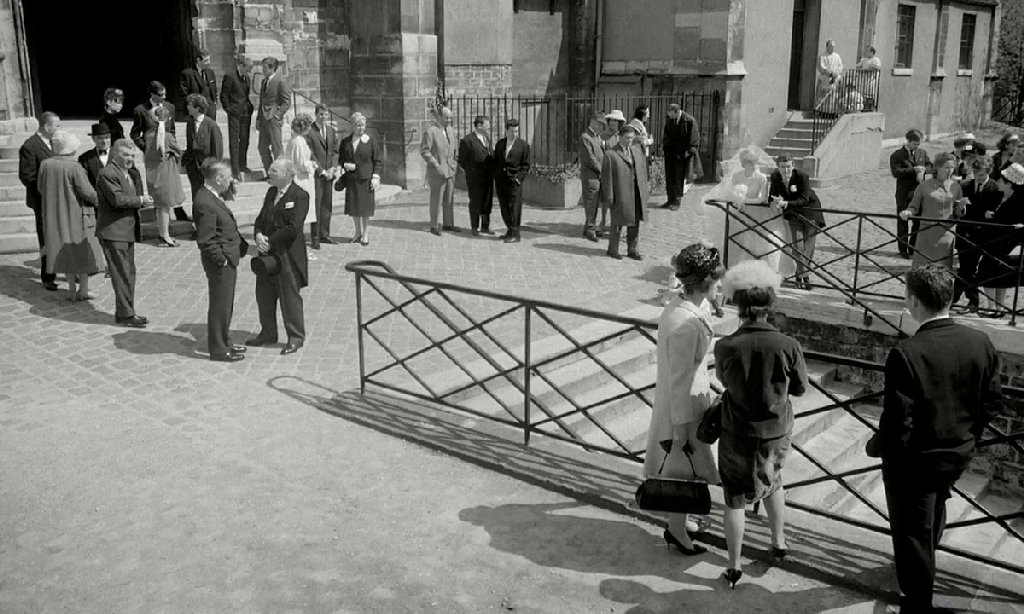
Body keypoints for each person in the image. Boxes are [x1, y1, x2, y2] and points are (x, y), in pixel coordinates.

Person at [866, 265, 1001, 612]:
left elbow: (898, 422)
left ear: (913, 301)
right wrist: (968, 435)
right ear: (949, 298)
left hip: (916, 462)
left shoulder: (907, 353)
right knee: (932, 512)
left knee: (911, 533)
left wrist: (879, 448)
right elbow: (993, 401)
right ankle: (924, 559)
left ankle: (917, 602)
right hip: (958, 452)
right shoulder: (980, 342)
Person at [714, 259, 808, 589]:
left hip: (736, 430)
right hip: (775, 432)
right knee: (775, 481)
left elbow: (724, 381)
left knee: (734, 497)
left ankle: (734, 565)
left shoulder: (725, 346)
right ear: (770, 306)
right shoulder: (788, 345)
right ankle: (779, 541)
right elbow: (800, 388)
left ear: (738, 307)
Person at [644, 242, 724, 558]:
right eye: (716, 281)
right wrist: (679, 425)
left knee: (686, 467)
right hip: (684, 405)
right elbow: (679, 379)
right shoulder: (683, 323)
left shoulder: (685, 306)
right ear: (703, 282)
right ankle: (676, 530)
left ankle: (681, 521)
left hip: (691, 397)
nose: (720, 286)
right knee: (683, 468)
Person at [247, 158, 309, 355]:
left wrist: (270, 241)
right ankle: (268, 332)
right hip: (267, 254)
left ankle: (295, 337)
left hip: (286, 255)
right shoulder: (271, 192)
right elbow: (260, 218)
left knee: (289, 297)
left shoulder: (300, 196)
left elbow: (293, 228)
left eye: (274, 170)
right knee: (264, 294)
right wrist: (258, 235)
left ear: (287, 175)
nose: (269, 173)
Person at [38, 131, 103, 302]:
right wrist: (101, 201)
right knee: (82, 252)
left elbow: (40, 188)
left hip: (55, 216)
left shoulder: (45, 165)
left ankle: (72, 290)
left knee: (65, 253)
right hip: (77, 216)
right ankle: (83, 290)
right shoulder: (74, 167)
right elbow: (87, 192)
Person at [193, 158, 248, 362]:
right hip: (220, 263)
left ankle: (225, 341)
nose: (231, 180)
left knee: (225, 304)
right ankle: (218, 348)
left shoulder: (211, 196)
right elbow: (206, 239)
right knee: (220, 305)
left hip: (228, 258)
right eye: (228, 176)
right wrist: (222, 260)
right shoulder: (205, 202)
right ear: (218, 179)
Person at [95, 139, 154, 328]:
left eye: (132, 155)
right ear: (115, 154)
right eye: (126, 155)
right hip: (113, 231)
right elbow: (118, 199)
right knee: (121, 274)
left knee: (129, 273)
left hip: (126, 231)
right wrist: (140, 200)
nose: (130, 159)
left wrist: (141, 199)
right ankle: (126, 314)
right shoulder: (108, 173)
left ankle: (125, 311)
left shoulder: (131, 173)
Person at [130, 81, 186, 223]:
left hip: (168, 154)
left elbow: (172, 130)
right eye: (160, 95)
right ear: (152, 94)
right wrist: (145, 147)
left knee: (171, 184)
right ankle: (159, 215)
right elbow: (135, 134)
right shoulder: (141, 110)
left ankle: (177, 209)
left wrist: (172, 147)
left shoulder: (169, 107)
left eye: (165, 94)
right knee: (156, 186)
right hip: (152, 156)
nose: (164, 97)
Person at [953, 155, 1003, 312]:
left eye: (981, 174)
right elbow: (958, 212)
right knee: (965, 269)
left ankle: (959, 300)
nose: (978, 177)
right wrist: (961, 207)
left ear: (989, 172)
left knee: (968, 269)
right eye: (975, 174)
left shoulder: (995, 188)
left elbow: (993, 213)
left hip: (982, 236)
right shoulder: (965, 185)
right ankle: (967, 301)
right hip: (964, 233)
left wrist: (979, 212)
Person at [727, 148, 789, 272]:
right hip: (741, 212)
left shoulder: (761, 178)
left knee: (758, 241)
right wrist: (737, 199)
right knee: (740, 239)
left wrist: (745, 201)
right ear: (743, 164)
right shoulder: (737, 176)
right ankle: (741, 268)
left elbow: (762, 198)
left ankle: (759, 269)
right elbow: (732, 193)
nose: (751, 166)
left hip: (758, 213)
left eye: (753, 163)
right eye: (748, 163)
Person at [769, 154, 826, 288]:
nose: (786, 170)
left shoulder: (802, 176)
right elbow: (771, 196)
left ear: (793, 166)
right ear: (778, 167)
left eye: (788, 167)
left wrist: (786, 203)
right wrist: (774, 201)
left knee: (808, 247)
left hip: (810, 212)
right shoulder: (775, 177)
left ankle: (801, 277)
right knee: (797, 247)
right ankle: (804, 276)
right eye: (783, 167)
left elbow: (805, 199)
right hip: (793, 214)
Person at [899, 152, 963, 270]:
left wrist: (961, 209)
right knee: (921, 270)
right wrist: (907, 212)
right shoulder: (924, 186)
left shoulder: (956, 187)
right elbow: (913, 207)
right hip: (926, 234)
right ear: (937, 167)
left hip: (945, 235)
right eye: (947, 167)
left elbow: (957, 211)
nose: (950, 170)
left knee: (942, 271)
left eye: (952, 167)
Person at [975, 163, 1024, 316]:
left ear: (1009, 183)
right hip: (995, 242)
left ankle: (994, 308)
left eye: (1001, 180)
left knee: (990, 272)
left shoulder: (1019, 200)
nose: (998, 182)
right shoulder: (1000, 196)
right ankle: (996, 308)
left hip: (1005, 243)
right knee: (995, 273)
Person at [18, 111, 60, 291]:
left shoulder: (55, 142)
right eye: (56, 125)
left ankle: (66, 267)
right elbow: (27, 176)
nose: (59, 129)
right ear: (46, 126)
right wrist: (47, 188)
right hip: (42, 200)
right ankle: (48, 275)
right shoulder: (30, 146)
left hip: (59, 199)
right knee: (46, 237)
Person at [602, 123, 648, 260]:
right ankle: (613, 249)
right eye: (627, 138)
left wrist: (645, 190)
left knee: (635, 222)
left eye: (631, 138)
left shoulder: (636, 151)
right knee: (617, 222)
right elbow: (607, 178)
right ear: (620, 137)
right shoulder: (611, 154)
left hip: (636, 192)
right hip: (620, 192)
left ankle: (632, 250)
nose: (629, 141)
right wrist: (609, 197)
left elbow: (643, 171)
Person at [337, 112, 382, 246]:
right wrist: (345, 165)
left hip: (365, 179)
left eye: (362, 125)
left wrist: (375, 177)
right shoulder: (346, 142)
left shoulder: (370, 141)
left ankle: (365, 232)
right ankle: (357, 232)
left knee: (365, 208)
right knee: (354, 207)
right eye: (358, 125)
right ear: (352, 126)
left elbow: (377, 160)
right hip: (352, 179)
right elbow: (341, 159)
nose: (361, 128)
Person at [144, 104, 186, 247]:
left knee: (159, 207)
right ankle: (164, 235)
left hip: (152, 174)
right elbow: (178, 151)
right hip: (165, 175)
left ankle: (162, 233)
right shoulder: (167, 137)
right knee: (164, 207)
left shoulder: (148, 136)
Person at [890, 129, 931, 258]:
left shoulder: (922, 153)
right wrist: (913, 170)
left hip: (918, 193)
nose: (917, 146)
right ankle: (903, 249)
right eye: (914, 144)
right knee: (903, 222)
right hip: (904, 193)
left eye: (918, 144)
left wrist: (924, 170)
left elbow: (930, 166)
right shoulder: (897, 155)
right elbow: (896, 172)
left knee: (917, 222)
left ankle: (913, 248)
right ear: (908, 141)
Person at [421, 106, 458, 236]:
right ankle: (434, 225)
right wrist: (436, 165)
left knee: (449, 198)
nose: (449, 120)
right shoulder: (431, 132)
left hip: (450, 169)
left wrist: (454, 164)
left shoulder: (451, 131)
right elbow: (425, 151)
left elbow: (454, 149)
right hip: (437, 170)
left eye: (450, 118)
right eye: (446, 118)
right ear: (439, 117)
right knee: (436, 198)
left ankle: (448, 223)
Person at [457, 115, 496, 236]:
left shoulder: (487, 138)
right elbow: (462, 161)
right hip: (475, 178)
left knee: (487, 201)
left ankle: (485, 226)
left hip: (488, 176)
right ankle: (474, 226)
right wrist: (472, 171)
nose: (489, 127)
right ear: (479, 125)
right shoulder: (467, 141)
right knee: (475, 201)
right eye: (487, 125)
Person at [286, 114, 319, 256]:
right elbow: (301, 163)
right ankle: (298, 248)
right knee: (300, 215)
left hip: (300, 178)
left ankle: (298, 246)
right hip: (301, 180)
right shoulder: (298, 142)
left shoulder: (295, 140)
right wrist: (312, 165)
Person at [494, 118, 531, 244]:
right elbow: (496, 161)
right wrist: (496, 175)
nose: (514, 134)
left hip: (514, 182)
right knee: (504, 206)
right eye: (512, 131)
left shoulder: (523, 146)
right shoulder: (500, 144)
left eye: (516, 131)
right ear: (506, 131)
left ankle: (516, 233)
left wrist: (518, 179)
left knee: (515, 207)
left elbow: (526, 165)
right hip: (501, 181)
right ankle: (509, 229)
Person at [308, 104, 340, 243]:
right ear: (316, 114)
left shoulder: (331, 130)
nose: (323, 117)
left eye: (325, 114)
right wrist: (321, 170)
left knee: (327, 204)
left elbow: (335, 151)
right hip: (317, 174)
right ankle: (315, 236)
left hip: (329, 173)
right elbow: (310, 154)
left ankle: (324, 234)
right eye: (321, 114)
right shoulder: (310, 132)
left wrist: (333, 167)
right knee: (317, 204)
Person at [183, 94, 224, 200]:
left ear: (197, 108)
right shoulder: (190, 123)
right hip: (193, 167)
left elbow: (217, 150)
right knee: (196, 195)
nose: (187, 107)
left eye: (190, 105)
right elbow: (190, 146)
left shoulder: (212, 126)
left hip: (206, 167)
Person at [220, 56, 255, 179]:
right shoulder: (230, 76)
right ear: (241, 66)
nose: (249, 71)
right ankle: (235, 169)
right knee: (234, 141)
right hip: (234, 113)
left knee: (245, 139)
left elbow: (245, 95)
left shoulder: (247, 78)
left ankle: (242, 165)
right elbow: (224, 95)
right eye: (248, 68)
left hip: (246, 113)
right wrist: (229, 110)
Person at [662, 103, 700, 210]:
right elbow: (666, 134)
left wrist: (690, 151)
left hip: (682, 154)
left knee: (679, 178)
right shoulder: (670, 120)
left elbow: (694, 137)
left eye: (670, 113)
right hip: (670, 153)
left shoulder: (689, 120)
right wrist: (665, 145)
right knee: (670, 177)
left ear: (676, 112)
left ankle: (677, 201)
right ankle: (670, 200)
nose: (669, 115)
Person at [256, 57, 291, 173]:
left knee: (277, 147)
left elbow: (286, 102)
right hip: (264, 119)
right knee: (262, 147)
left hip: (274, 119)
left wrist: (278, 115)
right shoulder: (264, 81)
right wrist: (258, 119)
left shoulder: (281, 81)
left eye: (264, 68)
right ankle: (270, 172)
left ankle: (280, 173)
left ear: (271, 68)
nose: (262, 70)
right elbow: (261, 101)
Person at [578, 113, 606, 242]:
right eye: (599, 124)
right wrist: (602, 170)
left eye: (602, 124)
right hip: (590, 175)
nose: (601, 127)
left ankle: (588, 227)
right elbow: (590, 159)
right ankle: (590, 229)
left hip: (597, 175)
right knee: (591, 201)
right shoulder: (586, 137)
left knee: (594, 202)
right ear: (592, 121)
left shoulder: (596, 137)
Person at [179, 48, 218, 121]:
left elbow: (213, 90)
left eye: (209, 60)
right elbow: (184, 93)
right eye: (206, 61)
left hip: (210, 111)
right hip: (196, 111)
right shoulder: (188, 74)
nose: (209, 63)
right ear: (198, 60)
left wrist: (214, 102)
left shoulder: (210, 72)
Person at [817, 39, 844, 104]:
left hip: (834, 79)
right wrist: (830, 73)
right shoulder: (822, 56)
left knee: (833, 97)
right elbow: (821, 67)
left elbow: (840, 66)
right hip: (825, 79)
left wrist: (836, 73)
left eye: (833, 46)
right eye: (831, 46)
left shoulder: (837, 56)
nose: (833, 48)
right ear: (827, 47)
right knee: (822, 98)